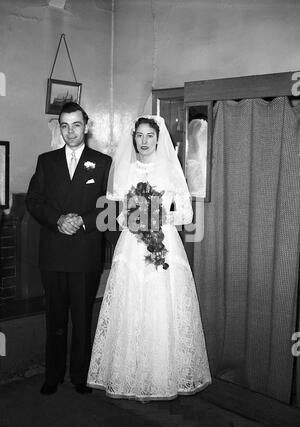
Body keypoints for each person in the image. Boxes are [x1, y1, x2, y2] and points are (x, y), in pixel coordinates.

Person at [87, 115, 211, 401]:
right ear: (134, 138)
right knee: (130, 306)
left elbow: (187, 214)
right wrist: (130, 217)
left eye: (149, 136)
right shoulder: (126, 170)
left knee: (160, 306)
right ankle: (130, 375)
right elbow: (117, 215)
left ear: (158, 138)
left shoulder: (169, 169)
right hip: (132, 245)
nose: (144, 141)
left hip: (163, 242)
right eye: (139, 136)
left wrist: (158, 216)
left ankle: (160, 376)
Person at [26, 102, 112, 395]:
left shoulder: (103, 162)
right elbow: (34, 201)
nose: (70, 131)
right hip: (53, 253)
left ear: (86, 126)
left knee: (82, 318)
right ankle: (52, 375)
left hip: (85, 254)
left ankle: (79, 377)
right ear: (59, 127)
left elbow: (110, 207)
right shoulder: (46, 161)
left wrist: (83, 221)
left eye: (76, 125)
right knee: (56, 318)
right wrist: (58, 220)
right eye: (64, 125)